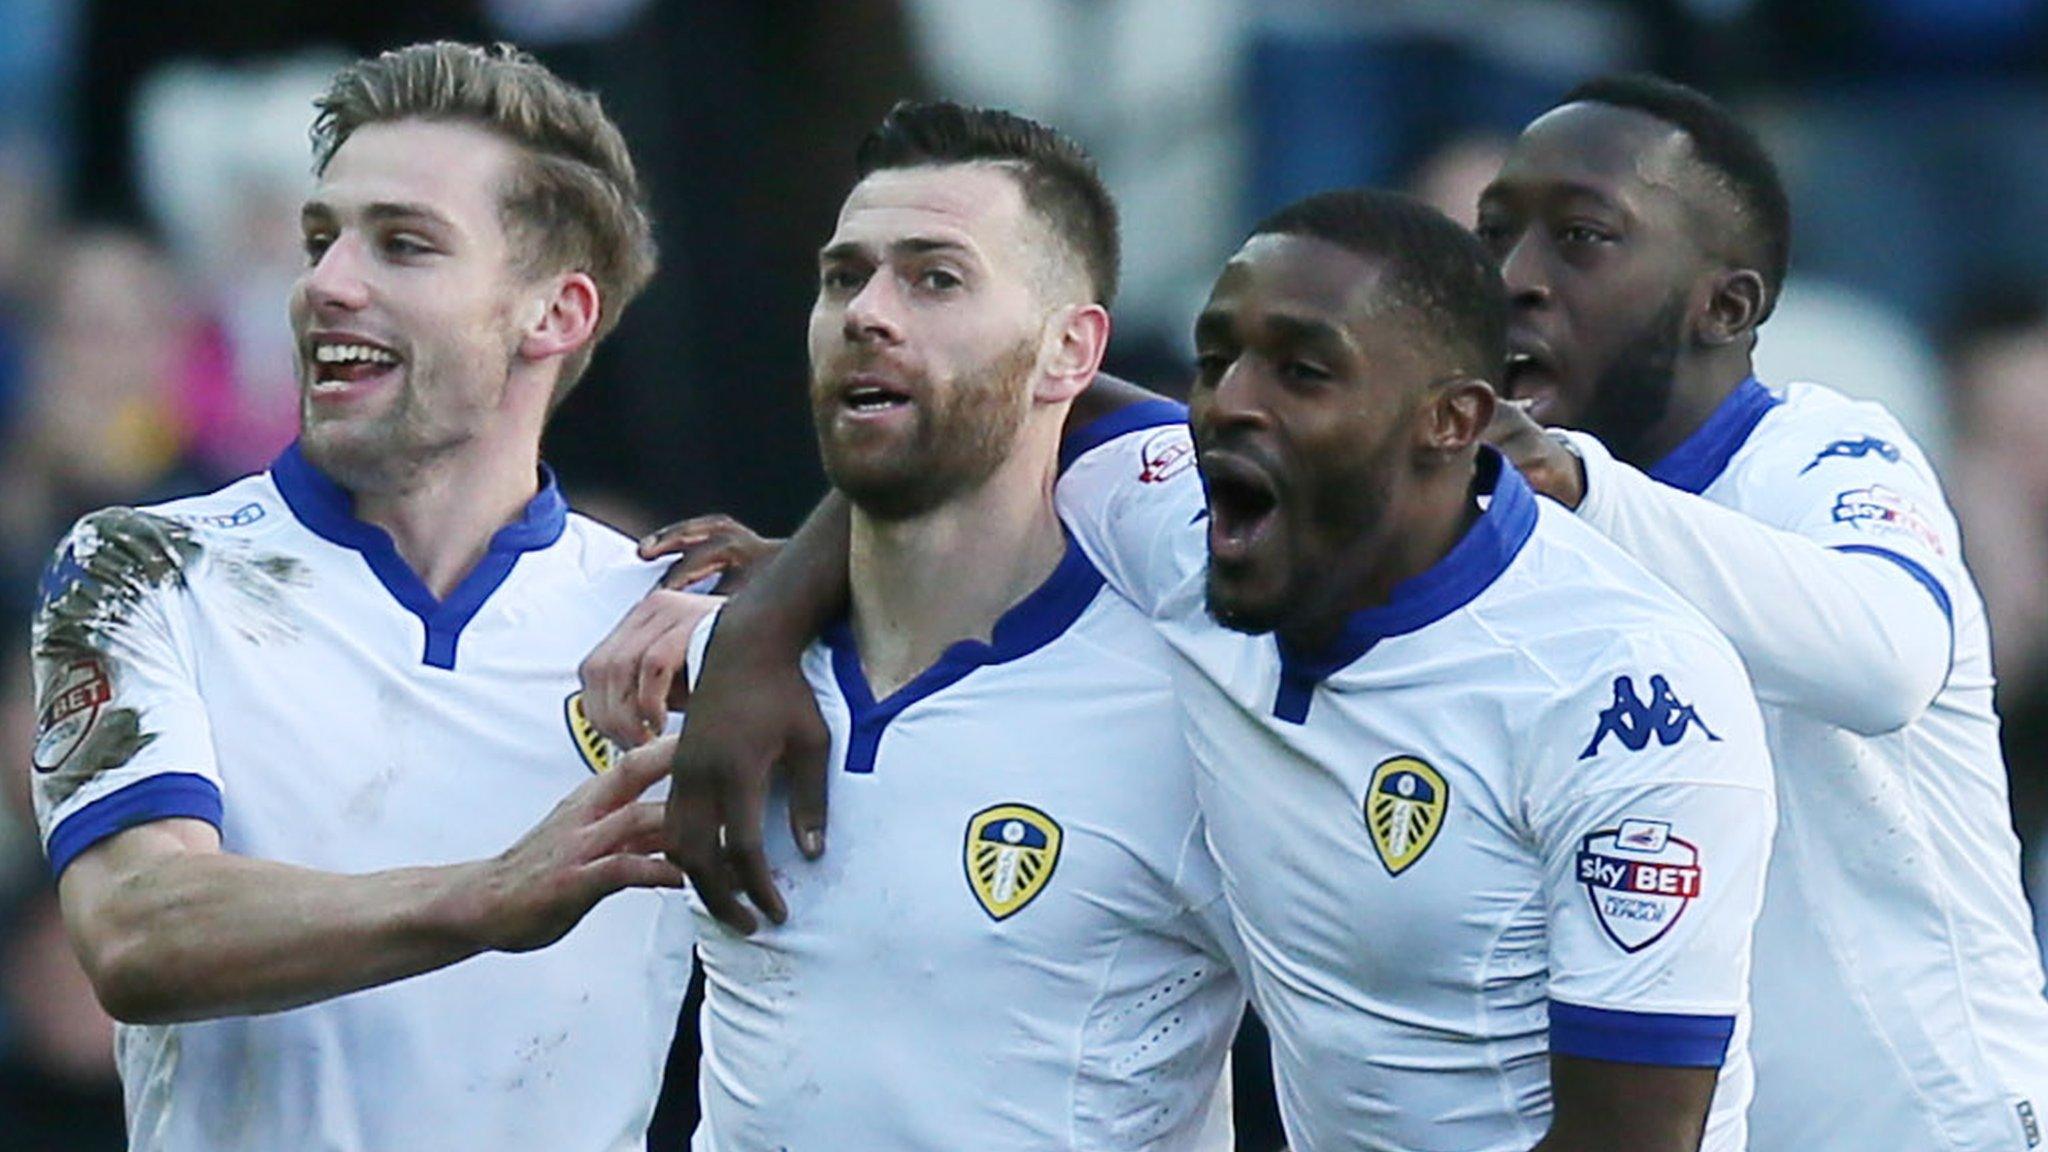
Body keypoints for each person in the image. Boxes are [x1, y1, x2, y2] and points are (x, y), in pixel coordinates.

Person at [648, 187, 1776, 1151]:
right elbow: (986, 397)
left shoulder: (1623, 700)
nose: (1228, 402)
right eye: (1214, 356)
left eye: (1303, 370)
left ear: (1449, 421)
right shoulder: (1186, 516)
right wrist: (762, 625)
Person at [28, 42, 695, 1152]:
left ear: (555, 314)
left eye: (403, 245)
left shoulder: (670, 627)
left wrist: (807, 583)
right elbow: (137, 931)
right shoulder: (141, 567)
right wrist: (484, 896)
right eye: (320, 237)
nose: (327, 282)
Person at [608, 98, 1245, 1150]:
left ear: (1067, 350)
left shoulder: (1188, 703)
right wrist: (757, 627)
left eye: (934, 277)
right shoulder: (696, 659)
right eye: (841, 276)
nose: (866, 311)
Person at [1475, 73, 2048, 1151]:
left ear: (1724, 307)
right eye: (1493, 235)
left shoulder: (1824, 457)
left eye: (1580, 238)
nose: (1513, 281)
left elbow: (1884, 661)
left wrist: (1580, 488)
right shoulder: (1491, 529)